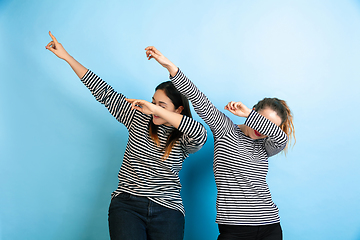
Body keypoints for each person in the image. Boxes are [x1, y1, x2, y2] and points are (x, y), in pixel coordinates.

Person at [45, 32, 207, 240]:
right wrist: (67, 57)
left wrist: (153, 109)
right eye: (152, 101)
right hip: (128, 206)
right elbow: (104, 92)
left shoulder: (184, 137)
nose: (153, 108)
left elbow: (200, 134)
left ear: (178, 110)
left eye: (161, 105)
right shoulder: (138, 118)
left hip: (168, 210)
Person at [144, 46, 296, 240]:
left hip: (270, 225)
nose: (262, 130)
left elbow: (281, 138)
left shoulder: (267, 146)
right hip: (234, 228)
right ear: (255, 109)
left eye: (269, 126)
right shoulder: (226, 130)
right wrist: (169, 66)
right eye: (261, 119)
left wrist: (249, 114)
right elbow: (200, 101)